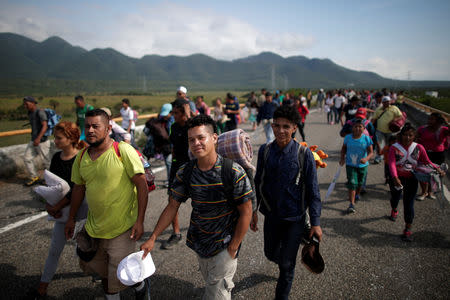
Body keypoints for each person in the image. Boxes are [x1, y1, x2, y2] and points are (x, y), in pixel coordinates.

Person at [141, 114, 254, 300]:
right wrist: (153, 238)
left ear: (214, 138)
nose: (196, 143)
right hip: (200, 244)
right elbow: (172, 206)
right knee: (211, 284)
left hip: (225, 246)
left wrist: (233, 248)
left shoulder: (233, 172)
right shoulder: (186, 172)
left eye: (201, 137)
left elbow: (246, 212)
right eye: (191, 140)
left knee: (217, 295)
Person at [64, 109, 149, 299]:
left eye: (96, 126)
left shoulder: (123, 151)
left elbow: (141, 185)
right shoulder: (82, 157)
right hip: (95, 228)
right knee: (104, 275)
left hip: (123, 228)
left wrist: (140, 220)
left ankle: (138, 288)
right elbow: (78, 188)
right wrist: (71, 219)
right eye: (87, 126)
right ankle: (140, 284)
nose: (91, 130)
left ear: (109, 128)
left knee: (115, 279)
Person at [253, 105, 322, 300]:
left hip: (295, 219)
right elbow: (259, 182)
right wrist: (253, 212)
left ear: (294, 128)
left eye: (286, 126)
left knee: (286, 265)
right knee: (269, 253)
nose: (280, 130)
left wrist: (315, 222)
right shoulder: (265, 151)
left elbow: (313, 191)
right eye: (277, 125)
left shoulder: (304, 154)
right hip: (271, 216)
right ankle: (285, 258)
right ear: (272, 126)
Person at [28, 122, 87, 299]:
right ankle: (43, 285)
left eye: (59, 138)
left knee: (84, 248)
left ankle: (99, 273)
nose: (55, 141)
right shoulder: (56, 158)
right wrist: (49, 204)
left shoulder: (81, 159)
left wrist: (57, 206)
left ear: (71, 139)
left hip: (81, 212)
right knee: (55, 250)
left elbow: (78, 188)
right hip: (61, 213)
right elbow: (52, 185)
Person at [388, 123, 444, 242]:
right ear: (401, 135)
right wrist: (394, 177)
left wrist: (437, 169)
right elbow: (392, 163)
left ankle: (407, 229)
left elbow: (426, 161)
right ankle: (394, 208)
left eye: (410, 135)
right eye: (405, 135)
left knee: (409, 203)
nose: (407, 138)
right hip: (396, 178)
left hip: (411, 178)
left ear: (414, 136)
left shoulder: (419, 148)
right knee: (395, 197)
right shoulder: (394, 147)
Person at [162, 99, 192, 249]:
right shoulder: (173, 127)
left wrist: (189, 113)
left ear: (183, 112)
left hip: (193, 167)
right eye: (172, 113)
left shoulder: (192, 125)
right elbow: (173, 146)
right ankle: (176, 233)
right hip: (177, 167)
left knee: (201, 200)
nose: (173, 115)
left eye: (176, 113)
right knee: (172, 200)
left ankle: (205, 230)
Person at [339, 120, 374, 213]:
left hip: (362, 166)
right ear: (352, 128)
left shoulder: (366, 139)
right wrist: (342, 158)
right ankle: (352, 204)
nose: (357, 128)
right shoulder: (348, 138)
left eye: (360, 126)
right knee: (352, 184)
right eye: (355, 126)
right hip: (350, 165)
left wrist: (366, 159)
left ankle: (357, 194)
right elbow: (343, 149)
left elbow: (371, 152)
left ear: (364, 128)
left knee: (360, 184)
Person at [416, 113, 449, 200]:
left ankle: (430, 191)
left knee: (434, 174)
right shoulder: (422, 129)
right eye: (429, 119)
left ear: (437, 121)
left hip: (438, 155)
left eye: (432, 119)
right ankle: (424, 192)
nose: (429, 121)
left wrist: (447, 123)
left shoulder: (443, 130)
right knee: (422, 173)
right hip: (425, 154)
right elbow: (415, 139)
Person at [22, 96, 52, 186]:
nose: (25, 106)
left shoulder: (40, 112)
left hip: (42, 141)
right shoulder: (30, 113)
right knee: (27, 158)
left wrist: (38, 138)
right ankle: (34, 176)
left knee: (46, 161)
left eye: (26, 104)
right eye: (24, 104)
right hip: (34, 140)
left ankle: (51, 179)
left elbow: (45, 125)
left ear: (33, 103)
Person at [143, 103, 174, 186]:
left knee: (169, 162)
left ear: (171, 112)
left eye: (166, 114)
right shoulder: (163, 120)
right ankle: (171, 180)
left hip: (171, 146)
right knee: (169, 163)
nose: (165, 116)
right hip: (166, 146)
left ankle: (171, 181)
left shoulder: (172, 120)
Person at [371, 96, 403, 164]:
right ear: (382, 102)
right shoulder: (378, 109)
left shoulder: (394, 108)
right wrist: (370, 127)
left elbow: (400, 116)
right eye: (385, 102)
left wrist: (395, 120)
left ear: (390, 102)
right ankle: (379, 157)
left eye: (388, 101)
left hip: (390, 131)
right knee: (380, 144)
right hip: (380, 130)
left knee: (391, 145)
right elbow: (374, 119)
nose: (387, 103)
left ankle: (391, 157)